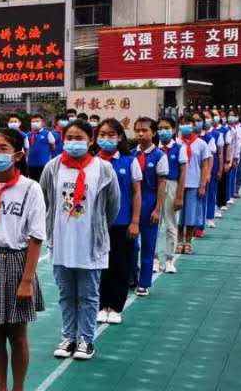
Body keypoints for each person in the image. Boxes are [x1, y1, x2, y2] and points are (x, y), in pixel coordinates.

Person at [40, 120, 120, 361]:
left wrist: (96, 227)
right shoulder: (53, 167)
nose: (73, 142)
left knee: (88, 294)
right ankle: (68, 337)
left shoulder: (103, 169)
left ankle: (86, 339)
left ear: (90, 140)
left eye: (79, 138)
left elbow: (112, 206)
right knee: (66, 294)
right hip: (62, 243)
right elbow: (44, 198)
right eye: (69, 137)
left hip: (90, 243)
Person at [0, 129, 45, 391]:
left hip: (16, 262)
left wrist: (28, 279)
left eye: (2, 148)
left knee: (17, 333)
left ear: (17, 155)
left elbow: (35, 236)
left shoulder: (31, 189)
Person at [94, 119, 140, 325]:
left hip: (122, 224)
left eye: (111, 134)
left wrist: (135, 221)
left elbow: (136, 193)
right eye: (102, 134)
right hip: (97, 225)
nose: (106, 138)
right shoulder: (91, 161)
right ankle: (102, 305)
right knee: (99, 267)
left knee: (120, 266)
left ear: (120, 137)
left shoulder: (129, 161)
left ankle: (116, 306)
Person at [131, 118, 169, 297]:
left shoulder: (159, 156)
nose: (140, 134)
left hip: (150, 200)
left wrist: (158, 208)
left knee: (148, 244)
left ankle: (144, 282)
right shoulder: (131, 154)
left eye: (144, 130)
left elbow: (162, 184)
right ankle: (131, 277)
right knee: (130, 245)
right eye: (137, 130)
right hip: (133, 202)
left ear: (153, 133)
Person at [177, 115, 211, 255]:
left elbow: (205, 165)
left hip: (194, 184)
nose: (185, 126)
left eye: (188, 123)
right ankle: (179, 241)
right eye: (182, 123)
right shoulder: (176, 143)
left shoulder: (201, 144)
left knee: (191, 215)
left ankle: (188, 242)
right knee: (178, 215)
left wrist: (202, 185)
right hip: (178, 184)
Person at [155, 116, 183, 275]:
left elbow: (183, 172)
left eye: (166, 128)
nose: (162, 131)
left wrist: (180, 195)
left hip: (172, 184)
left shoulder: (179, 148)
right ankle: (155, 259)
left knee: (171, 224)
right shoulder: (155, 149)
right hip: (157, 186)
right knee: (155, 224)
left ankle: (169, 260)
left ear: (173, 130)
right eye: (160, 128)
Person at [25, 115, 59, 182]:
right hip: (31, 164)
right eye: (33, 121)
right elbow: (27, 150)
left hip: (44, 164)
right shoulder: (28, 135)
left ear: (42, 123)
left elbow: (53, 147)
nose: (35, 123)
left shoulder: (47, 134)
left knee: (43, 183)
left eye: (37, 121)